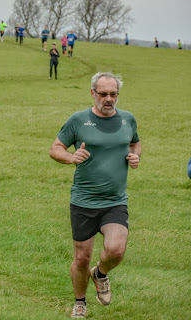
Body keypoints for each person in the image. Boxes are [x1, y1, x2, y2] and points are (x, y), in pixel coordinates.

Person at [49, 72, 141, 319]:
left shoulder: (128, 120)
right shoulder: (78, 120)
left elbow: (134, 143)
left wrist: (135, 156)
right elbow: (55, 148)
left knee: (116, 251)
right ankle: (80, 302)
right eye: (103, 94)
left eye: (113, 94)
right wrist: (71, 157)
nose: (109, 99)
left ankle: (99, 274)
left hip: (115, 200)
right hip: (84, 201)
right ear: (93, 93)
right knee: (82, 257)